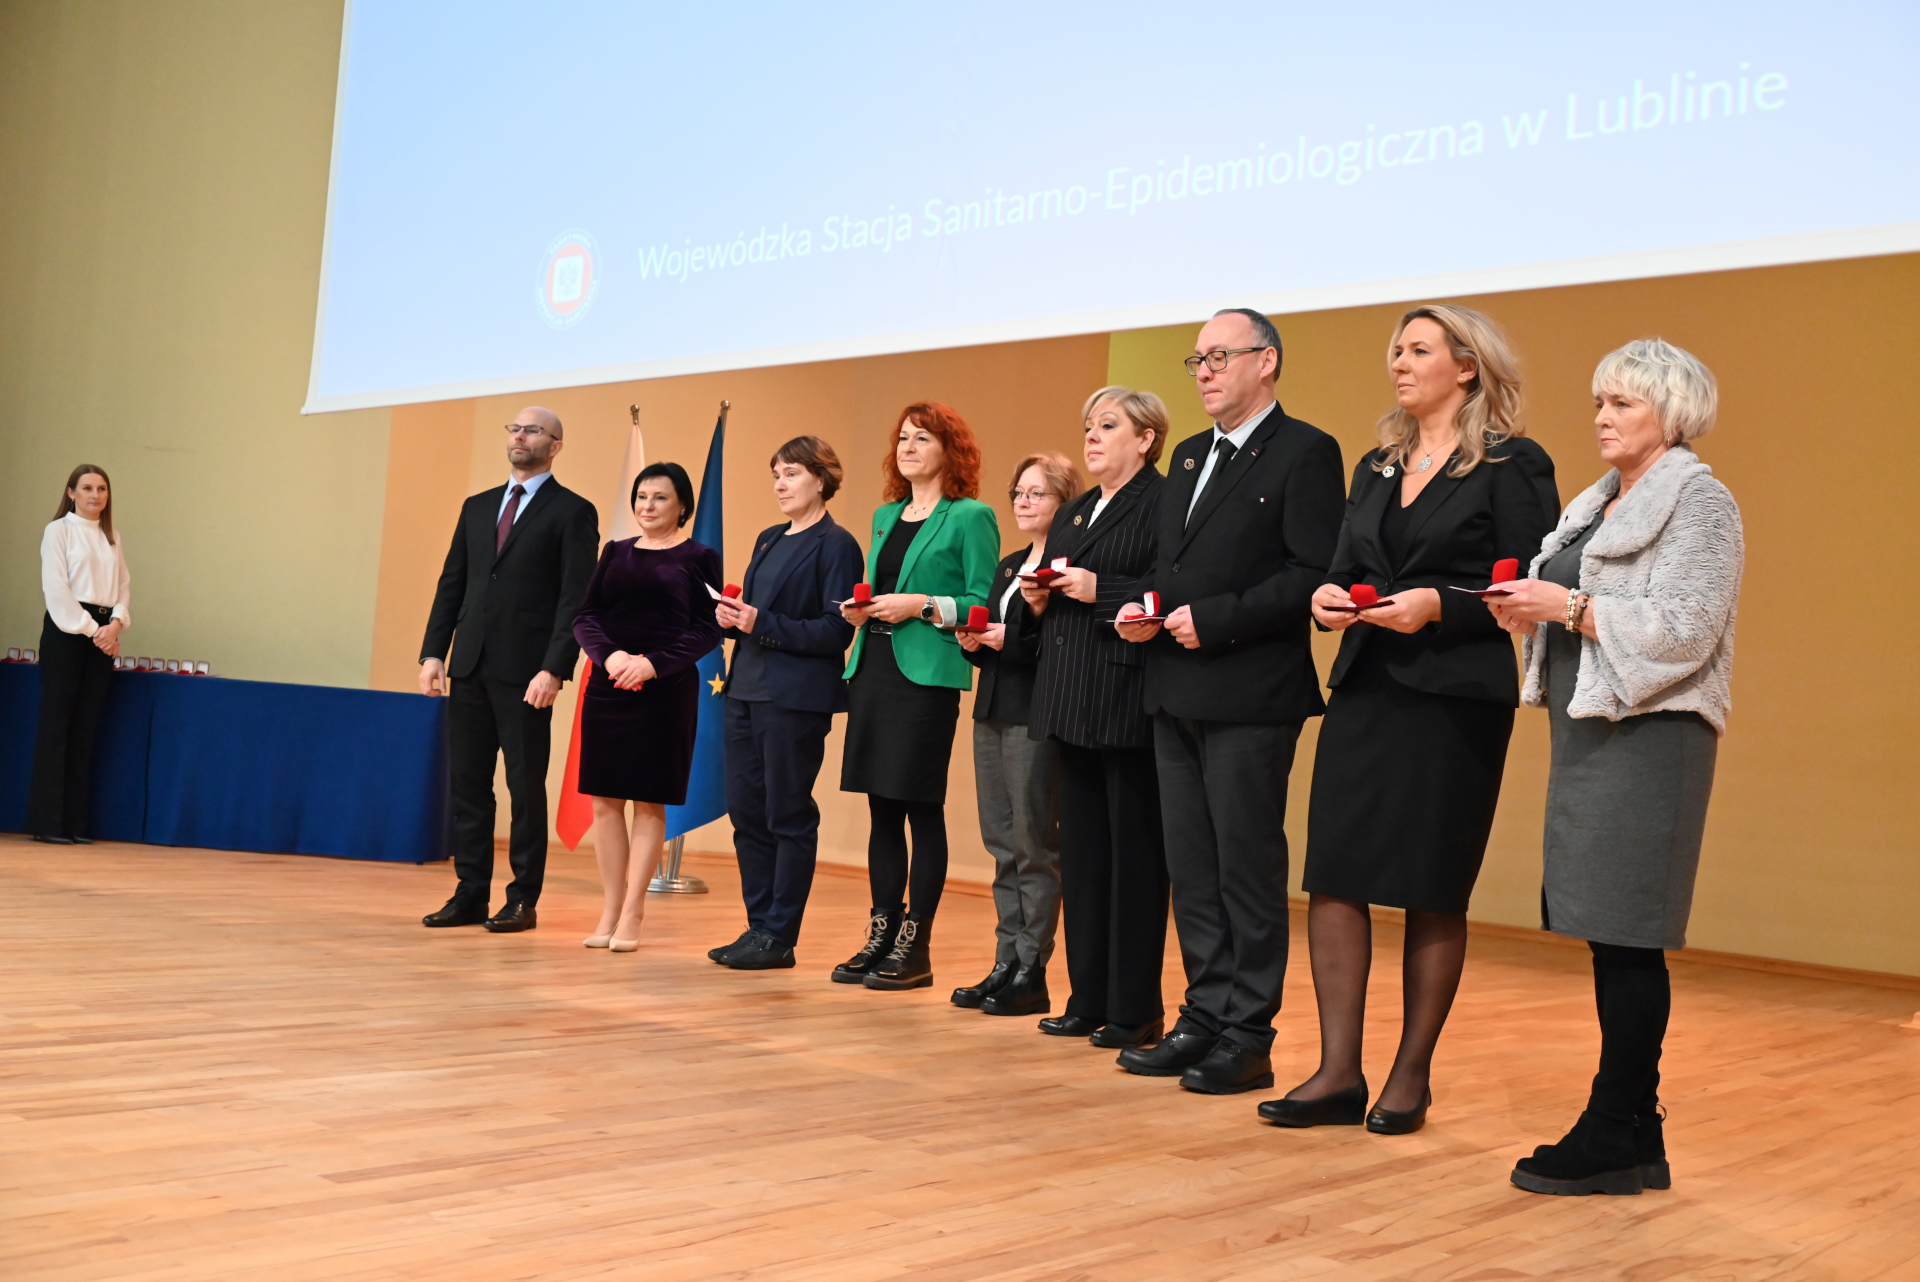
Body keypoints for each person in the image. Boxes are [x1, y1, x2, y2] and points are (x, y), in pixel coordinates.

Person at [1260, 305, 1559, 1134]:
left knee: (1433, 884)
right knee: (1334, 875)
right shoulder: (1377, 465)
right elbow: (1344, 565)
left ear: (1466, 366)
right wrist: (1327, 598)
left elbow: (1528, 587)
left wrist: (1438, 604)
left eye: (1417, 349)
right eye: (1396, 349)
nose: (1398, 362)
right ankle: (1337, 1072)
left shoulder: (1513, 463)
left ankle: (1409, 1077)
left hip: (1453, 699)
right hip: (1367, 687)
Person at [1489, 339, 1742, 1196]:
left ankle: (1610, 1126)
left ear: (1670, 414)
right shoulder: (1597, 502)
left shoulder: (1701, 501)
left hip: (1653, 737)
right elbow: (1578, 602)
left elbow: (1687, 627)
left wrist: (1567, 606)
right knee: (1609, 931)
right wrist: (1529, 610)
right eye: (1600, 400)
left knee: (1630, 934)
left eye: (1622, 403)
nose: (1602, 416)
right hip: (1593, 731)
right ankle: (1637, 1132)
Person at [1113, 308, 1345, 1094]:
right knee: (1193, 867)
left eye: (1218, 356)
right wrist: (1144, 608)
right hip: (1173, 686)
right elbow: (1172, 568)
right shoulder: (1186, 455)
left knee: (1244, 866)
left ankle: (1249, 1034)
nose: (1204, 372)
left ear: (1266, 361)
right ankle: (1202, 1017)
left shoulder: (1306, 451)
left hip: (1251, 692)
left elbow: (1310, 572)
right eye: (1197, 360)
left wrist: (1213, 620)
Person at [1021, 388, 1173, 1045]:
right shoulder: (1076, 509)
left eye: (1108, 425)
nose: (1091, 435)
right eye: (1088, 425)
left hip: (1123, 695)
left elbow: (1169, 586)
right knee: (1082, 861)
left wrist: (1101, 590)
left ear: (1145, 438)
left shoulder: (1163, 501)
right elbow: (1056, 583)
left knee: (1133, 860)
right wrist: (1038, 597)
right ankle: (1086, 998)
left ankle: (1134, 1008)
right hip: (1067, 696)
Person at [835, 402, 999, 990]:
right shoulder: (886, 515)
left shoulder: (971, 516)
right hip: (873, 666)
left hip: (926, 675)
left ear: (950, 451)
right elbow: (882, 587)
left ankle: (916, 943)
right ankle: (880, 931)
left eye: (922, 438)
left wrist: (922, 605)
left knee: (920, 805)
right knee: (881, 806)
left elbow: (983, 601)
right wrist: (862, 609)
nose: (907, 446)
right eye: (902, 437)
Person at [419, 406, 598, 933]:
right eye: (515, 428)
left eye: (533, 430)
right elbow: (452, 583)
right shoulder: (477, 506)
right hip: (469, 664)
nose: (520, 436)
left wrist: (554, 668)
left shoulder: (573, 511)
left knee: (524, 787)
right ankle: (470, 893)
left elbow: (574, 599)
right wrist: (433, 653)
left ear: (555, 445)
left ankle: (522, 898)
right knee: (469, 786)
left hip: (528, 674)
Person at [708, 437, 864, 970]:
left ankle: (780, 934)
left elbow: (836, 631)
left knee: (787, 814)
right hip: (744, 692)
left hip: (794, 700)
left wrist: (761, 622)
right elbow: (758, 617)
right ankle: (758, 928)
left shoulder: (836, 544)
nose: (780, 483)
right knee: (747, 813)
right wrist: (733, 620)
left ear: (821, 479)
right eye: (776, 474)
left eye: (792, 473)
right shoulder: (769, 538)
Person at [572, 462, 724, 951]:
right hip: (608, 686)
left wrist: (652, 665)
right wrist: (612, 657)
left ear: (682, 506)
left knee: (647, 800)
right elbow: (586, 616)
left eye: (660, 497)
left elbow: (708, 628)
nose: (647, 506)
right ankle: (610, 907)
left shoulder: (699, 557)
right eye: (641, 496)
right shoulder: (615, 552)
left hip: (664, 692)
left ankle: (634, 910)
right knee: (604, 801)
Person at [951, 450, 1078, 1016]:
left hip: (1037, 713)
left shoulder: (1068, 567)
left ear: (1064, 501)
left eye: (1036, 493)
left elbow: (1061, 647)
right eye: (1018, 493)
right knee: (1000, 842)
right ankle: (1005, 961)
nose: (1023, 502)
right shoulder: (1009, 565)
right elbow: (999, 643)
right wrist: (975, 643)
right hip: (993, 710)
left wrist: (1012, 640)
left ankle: (1033, 967)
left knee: (1032, 844)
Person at [28, 465, 130, 845]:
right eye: (87, 488)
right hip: (68, 631)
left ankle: (75, 823)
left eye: (102, 488)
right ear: (71, 492)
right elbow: (57, 589)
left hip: (103, 632)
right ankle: (48, 822)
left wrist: (115, 625)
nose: (95, 495)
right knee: (57, 724)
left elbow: (123, 586)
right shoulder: (58, 531)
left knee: (85, 726)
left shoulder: (111, 536)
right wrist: (93, 631)